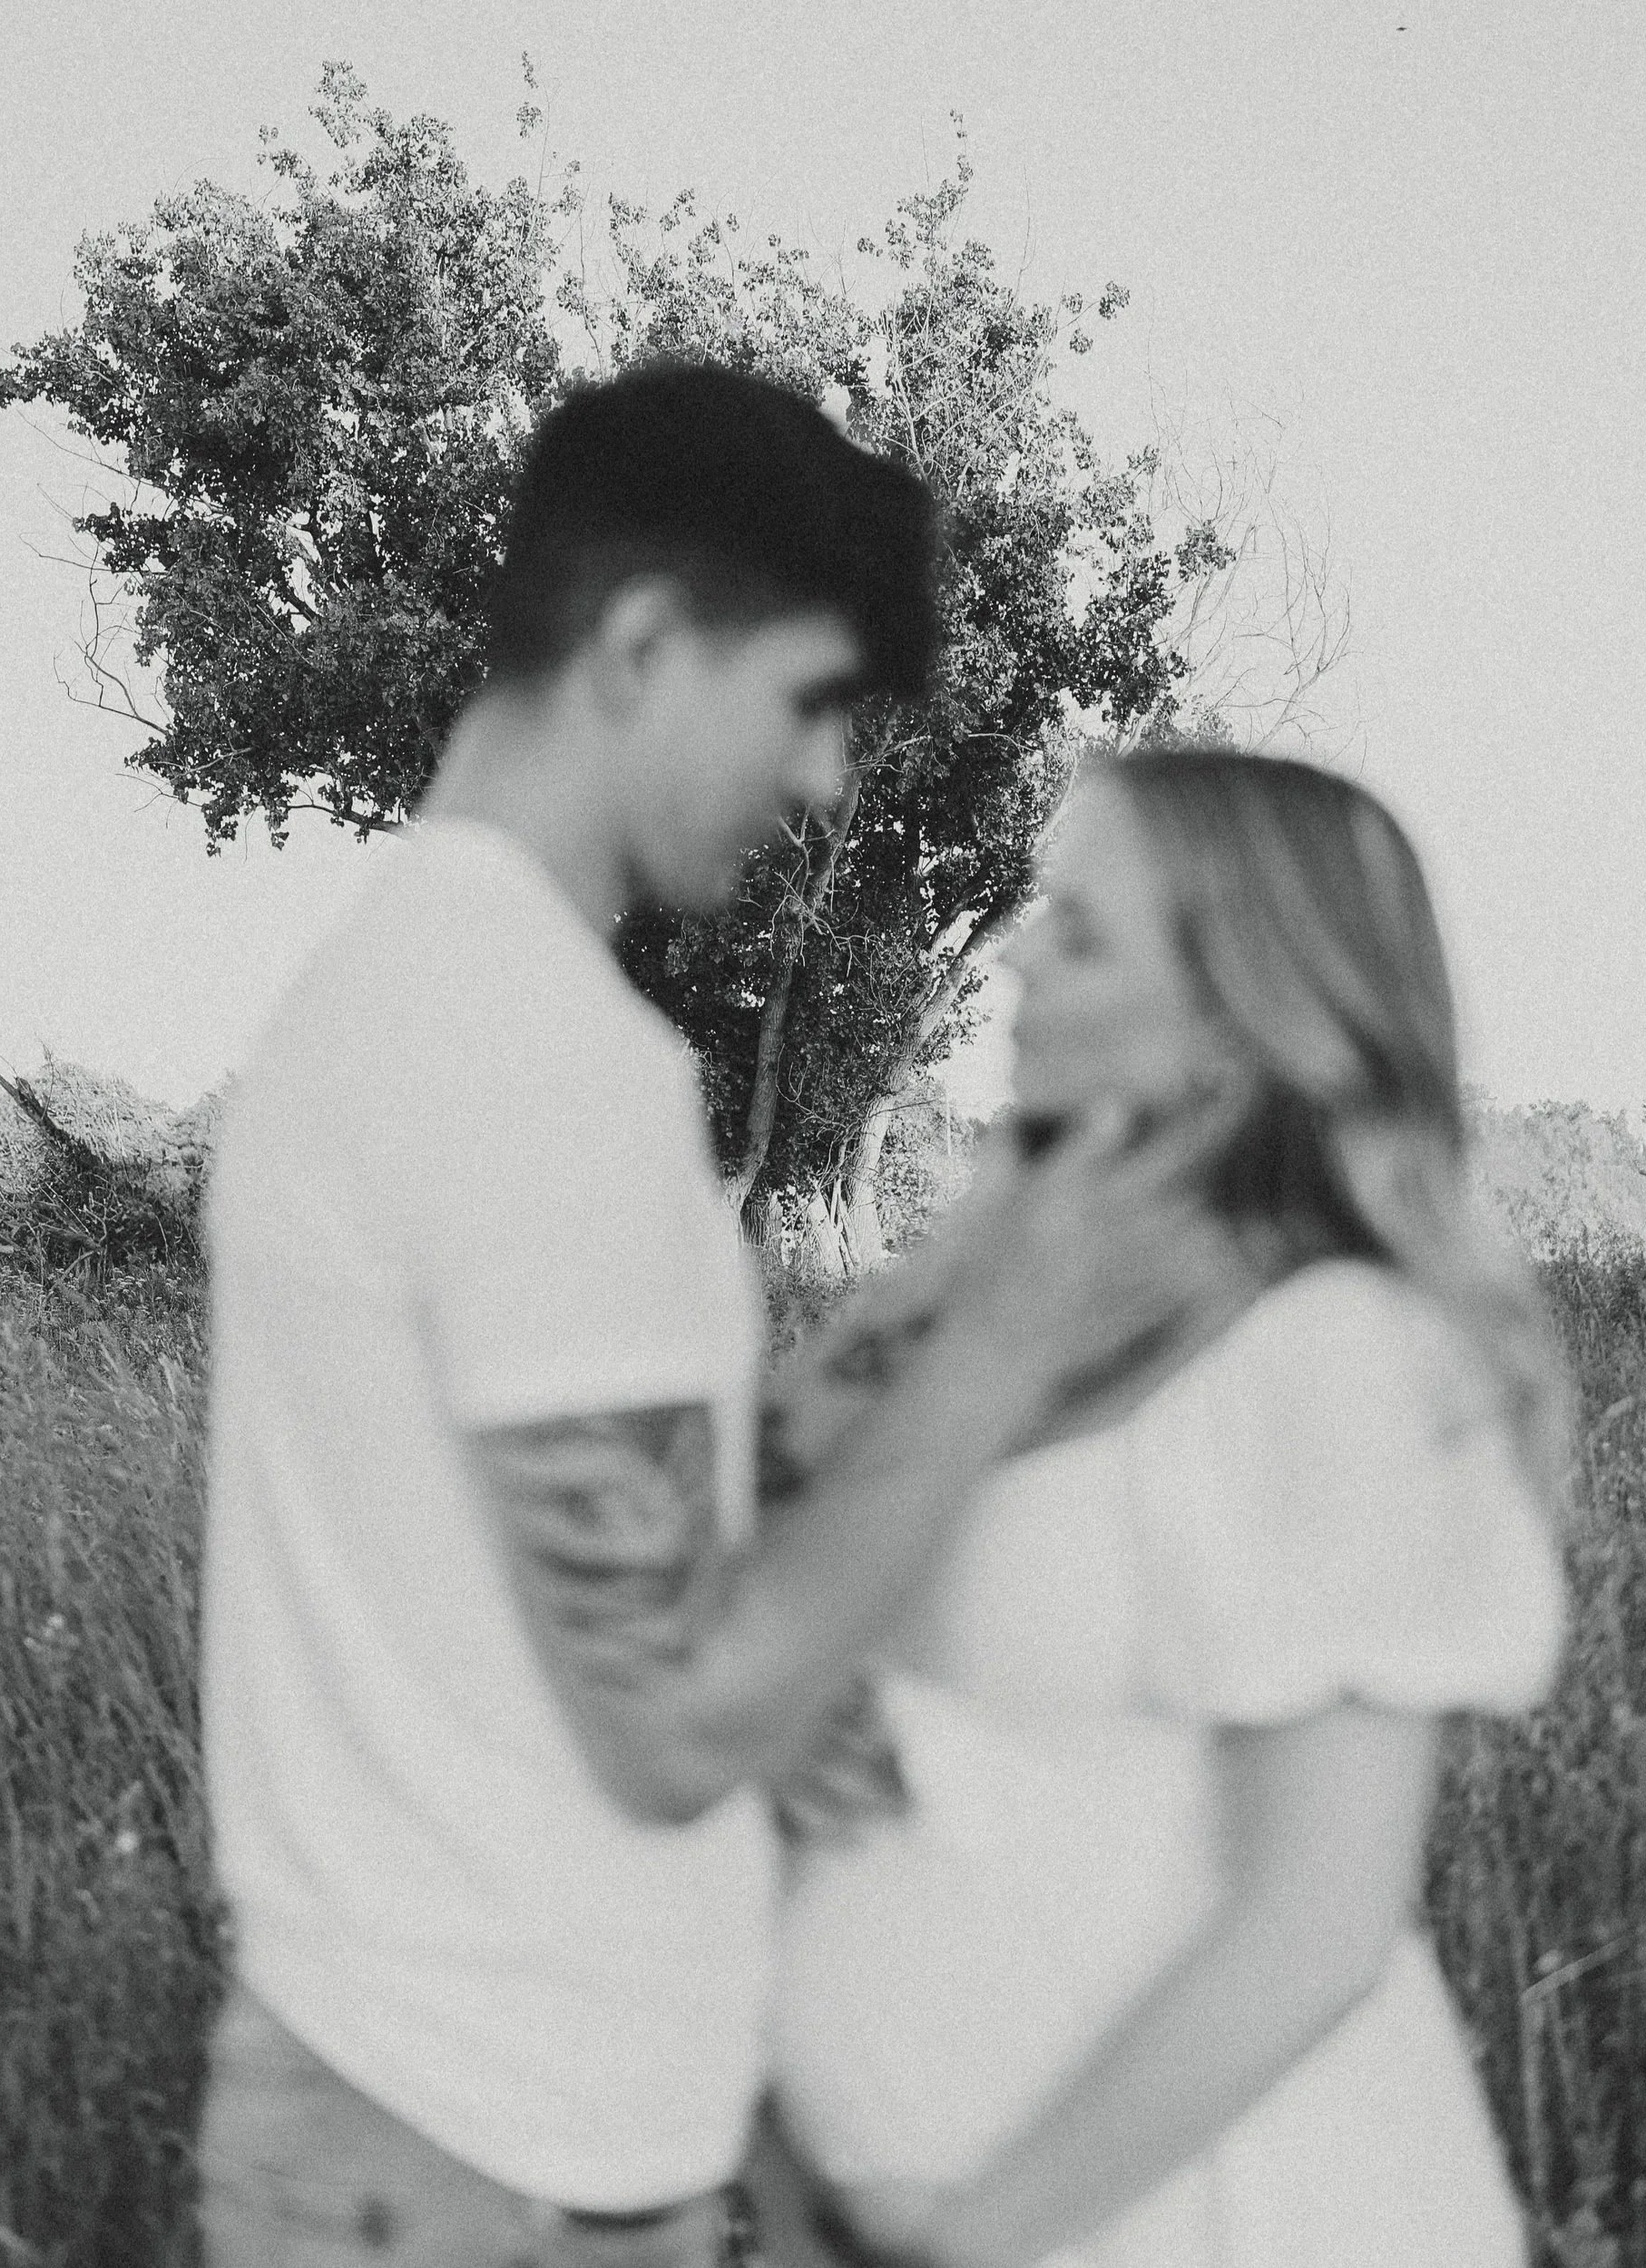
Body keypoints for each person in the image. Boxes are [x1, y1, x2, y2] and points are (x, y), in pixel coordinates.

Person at [191, 364, 1230, 2267]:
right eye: (811, 702)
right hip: (472, 2162)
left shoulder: (400, 990)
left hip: (428, 2116)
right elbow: (669, 1719)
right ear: (644, 643)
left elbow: (591, 1578)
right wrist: (1005, 1338)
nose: (827, 776)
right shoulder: (532, 1054)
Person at [759, 748, 1577, 2268]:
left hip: (1224, 2219)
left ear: (1236, 1009)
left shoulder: (1339, 1351)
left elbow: (1317, 1924)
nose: (1017, 956)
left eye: (1079, 929)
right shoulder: (1006, 1308)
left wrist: (967, 2248)